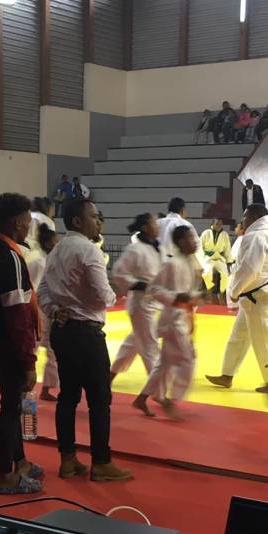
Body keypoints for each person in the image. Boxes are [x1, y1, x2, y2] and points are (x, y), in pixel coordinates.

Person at [38, 198, 132, 483]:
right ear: (78, 221)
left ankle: (68, 460)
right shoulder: (88, 250)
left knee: (67, 397)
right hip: (87, 332)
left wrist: (55, 310)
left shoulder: (57, 250)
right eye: (94, 216)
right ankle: (101, 462)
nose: (99, 221)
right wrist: (112, 296)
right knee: (99, 400)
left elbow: (42, 291)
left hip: (63, 329)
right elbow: (104, 295)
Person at [0, 194, 45, 494]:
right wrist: (28, 360)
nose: (29, 226)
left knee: (12, 403)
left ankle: (20, 461)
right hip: (11, 343)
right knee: (12, 408)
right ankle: (5, 474)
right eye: (27, 221)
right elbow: (16, 312)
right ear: (17, 222)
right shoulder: (9, 257)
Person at [207, 203, 268, 394]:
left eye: (245, 215)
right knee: (238, 337)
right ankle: (227, 374)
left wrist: (234, 291)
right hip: (256, 295)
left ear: (255, 217)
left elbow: (250, 269)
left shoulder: (256, 236)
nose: (242, 219)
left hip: (259, 296)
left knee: (264, 340)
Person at [133, 225, 204, 419]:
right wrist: (176, 297)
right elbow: (154, 289)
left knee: (164, 364)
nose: (195, 241)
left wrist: (196, 297)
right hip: (173, 320)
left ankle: (142, 398)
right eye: (191, 238)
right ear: (181, 242)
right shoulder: (171, 264)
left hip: (185, 317)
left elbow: (190, 292)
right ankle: (171, 400)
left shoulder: (192, 263)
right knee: (187, 359)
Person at [110, 213, 163, 385]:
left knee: (134, 342)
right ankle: (158, 390)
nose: (157, 226)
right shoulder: (135, 249)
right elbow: (118, 272)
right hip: (140, 303)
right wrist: (138, 284)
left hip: (153, 302)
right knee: (150, 345)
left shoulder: (156, 248)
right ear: (145, 228)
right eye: (154, 223)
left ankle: (109, 375)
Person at [26, 224, 61, 403]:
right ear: (47, 243)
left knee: (53, 350)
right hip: (37, 311)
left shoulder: (51, 262)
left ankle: (47, 388)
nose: (58, 245)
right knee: (32, 348)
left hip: (49, 311)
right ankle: (24, 386)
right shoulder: (39, 263)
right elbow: (32, 289)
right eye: (55, 242)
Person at [200, 218, 233, 301]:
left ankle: (221, 293)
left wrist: (229, 261)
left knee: (225, 274)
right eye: (217, 224)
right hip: (208, 258)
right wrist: (200, 260)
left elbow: (227, 248)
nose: (219, 225)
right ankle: (209, 290)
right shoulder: (206, 233)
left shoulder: (225, 234)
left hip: (219, 258)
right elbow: (200, 247)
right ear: (212, 224)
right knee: (207, 273)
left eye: (221, 224)